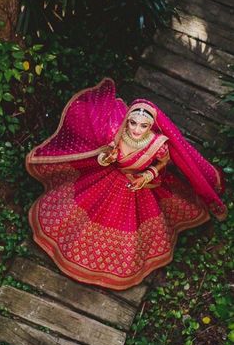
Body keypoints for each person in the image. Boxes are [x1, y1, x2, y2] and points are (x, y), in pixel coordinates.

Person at [26, 78, 227, 290]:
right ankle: (75, 252)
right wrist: (107, 158)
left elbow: (163, 162)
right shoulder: (118, 132)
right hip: (109, 178)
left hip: (136, 185)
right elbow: (106, 154)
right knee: (84, 213)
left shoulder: (157, 144)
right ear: (127, 121)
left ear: (151, 126)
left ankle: (119, 263)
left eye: (143, 126)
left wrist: (148, 175)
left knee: (130, 227)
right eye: (132, 123)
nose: (137, 129)